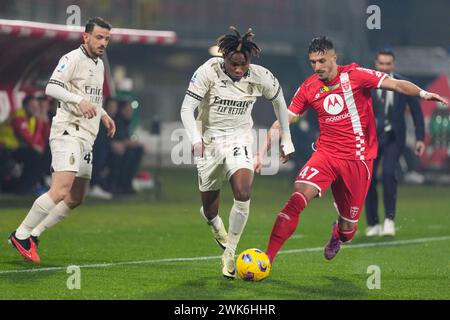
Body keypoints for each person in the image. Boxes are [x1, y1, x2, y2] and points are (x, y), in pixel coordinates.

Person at [257, 36, 447, 265]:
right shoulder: (308, 87)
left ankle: (338, 233)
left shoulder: (356, 76)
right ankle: (266, 259)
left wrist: (424, 94)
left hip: (358, 160)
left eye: (321, 61)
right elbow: (283, 120)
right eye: (312, 62)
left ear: (334, 58)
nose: (317, 67)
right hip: (325, 155)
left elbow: (395, 84)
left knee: (349, 230)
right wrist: (261, 153)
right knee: (298, 195)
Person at [180, 27, 295, 278]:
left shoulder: (260, 76)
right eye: (234, 64)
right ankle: (214, 224)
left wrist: (286, 138)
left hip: (239, 139)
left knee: (243, 192)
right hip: (209, 141)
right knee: (210, 210)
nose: (239, 69)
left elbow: (280, 103)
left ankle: (229, 253)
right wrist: (195, 138)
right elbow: (186, 109)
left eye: (244, 64)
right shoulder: (207, 71)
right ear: (224, 58)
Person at [8, 17, 116, 263]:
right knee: (60, 190)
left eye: (107, 39)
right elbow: (52, 88)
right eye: (99, 37)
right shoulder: (71, 59)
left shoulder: (98, 64)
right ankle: (21, 235)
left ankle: (34, 233)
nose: (103, 43)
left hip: (86, 136)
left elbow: (92, 98)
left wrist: (104, 114)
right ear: (85, 37)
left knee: (76, 197)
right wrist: (79, 102)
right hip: (68, 132)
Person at [365, 49, 425, 237]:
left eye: (388, 64)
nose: (384, 67)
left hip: (394, 137)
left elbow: (416, 111)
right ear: (376, 63)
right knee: (369, 178)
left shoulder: (402, 84)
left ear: (393, 65)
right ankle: (373, 223)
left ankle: (389, 220)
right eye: (381, 63)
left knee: (390, 172)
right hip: (371, 139)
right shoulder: (366, 83)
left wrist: (420, 138)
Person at [108, 99, 144, 194]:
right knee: (130, 155)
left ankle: (127, 184)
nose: (130, 112)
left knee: (136, 151)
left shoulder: (125, 122)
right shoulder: (117, 121)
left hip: (121, 151)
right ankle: (122, 185)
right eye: (128, 109)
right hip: (112, 152)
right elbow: (117, 140)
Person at [88, 97, 118, 199]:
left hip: (106, 150)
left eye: (115, 107)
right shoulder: (100, 121)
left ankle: (104, 185)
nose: (114, 109)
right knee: (100, 152)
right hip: (94, 149)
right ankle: (94, 185)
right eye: (111, 107)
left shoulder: (115, 120)